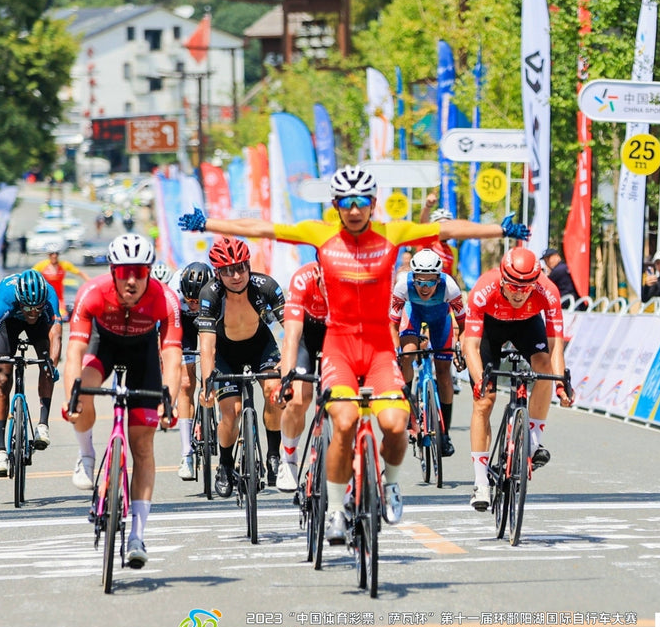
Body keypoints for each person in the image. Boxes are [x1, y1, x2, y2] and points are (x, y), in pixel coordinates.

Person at [179, 164, 529, 543]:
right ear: (336, 205)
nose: (355, 209)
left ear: (374, 203)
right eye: (347, 202)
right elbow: (263, 228)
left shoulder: (392, 233)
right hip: (339, 349)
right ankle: (334, 510)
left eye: (362, 201)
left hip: (379, 349)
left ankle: (391, 485)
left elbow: (445, 230)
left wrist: (500, 230)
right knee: (343, 423)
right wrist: (208, 224)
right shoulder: (321, 234)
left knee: (396, 424)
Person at [62, 233, 181, 568]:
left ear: (149, 271)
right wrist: (72, 394)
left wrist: (168, 400)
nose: (132, 280)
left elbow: (170, 356)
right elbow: (75, 351)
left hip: (144, 355)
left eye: (140, 272)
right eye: (125, 271)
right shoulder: (93, 293)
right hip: (105, 347)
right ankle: (86, 454)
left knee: (142, 446)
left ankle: (137, 536)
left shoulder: (164, 300)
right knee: (82, 395)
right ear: (113, 271)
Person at [464, 247, 573, 511]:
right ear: (502, 278)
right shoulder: (483, 289)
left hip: (526, 324)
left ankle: (532, 443)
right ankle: (480, 483)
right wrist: (481, 381)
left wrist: (561, 384)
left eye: (527, 287)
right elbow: (470, 346)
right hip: (490, 328)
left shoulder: (547, 290)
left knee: (545, 365)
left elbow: (555, 345)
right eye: (513, 286)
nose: (519, 293)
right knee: (484, 401)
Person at [196, 237, 287, 496]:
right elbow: (208, 346)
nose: (235, 276)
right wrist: (206, 384)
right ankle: (225, 465)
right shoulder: (210, 294)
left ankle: (273, 456)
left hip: (260, 346)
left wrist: (289, 363)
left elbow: (290, 328)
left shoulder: (266, 286)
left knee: (273, 390)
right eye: (227, 271)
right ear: (217, 273)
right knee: (232, 411)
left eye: (240, 268)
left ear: (248, 265)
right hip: (226, 353)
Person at [0, 269, 62, 476]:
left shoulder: (49, 296)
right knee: (3, 379)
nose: (32, 313)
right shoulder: (7, 295)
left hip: (40, 327)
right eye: (28, 309)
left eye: (37, 308)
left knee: (47, 365)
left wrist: (52, 363)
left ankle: (43, 424)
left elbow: (56, 336)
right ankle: (0, 451)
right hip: (10, 324)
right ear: (20, 301)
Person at [390, 248, 465, 458]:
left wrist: (461, 349)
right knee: (408, 354)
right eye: (420, 281)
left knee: (443, 373)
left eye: (430, 281)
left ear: (438, 278)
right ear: (412, 277)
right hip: (413, 316)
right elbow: (393, 325)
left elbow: (464, 325)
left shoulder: (450, 286)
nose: (424, 287)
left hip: (441, 321)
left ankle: (445, 433)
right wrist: (396, 351)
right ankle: (409, 413)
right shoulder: (402, 285)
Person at [277, 260, 329, 491]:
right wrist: (286, 380)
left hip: (334, 335)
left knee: (342, 396)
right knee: (298, 399)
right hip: (305, 334)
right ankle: (288, 459)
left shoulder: (349, 280)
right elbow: (291, 338)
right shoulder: (303, 279)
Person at [173, 261, 214, 481]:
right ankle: (186, 454)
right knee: (186, 383)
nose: (193, 306)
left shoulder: (217, 290)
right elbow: (169, 331)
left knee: (218, 368)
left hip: (212, 318)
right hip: (183, 326)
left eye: (197, 302)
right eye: (190, 301)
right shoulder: (173, 292)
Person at [32, 249, 91, 317]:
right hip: (47, 294)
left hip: (59, 296)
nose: (54, 256)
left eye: (56, 254)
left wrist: (90, 282)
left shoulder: (64, 264)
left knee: (63, 315)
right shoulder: (42, 265)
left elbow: (79, 273)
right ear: (48, 255)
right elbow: (31, 274)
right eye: (51, 254)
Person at [418, 193, 458, 279]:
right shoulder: (428, 242)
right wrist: (428, 206)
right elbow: (423, 225)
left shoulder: (453, 250)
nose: (445, 229)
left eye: (448, 225)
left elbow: (453, 277)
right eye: (441, 225)